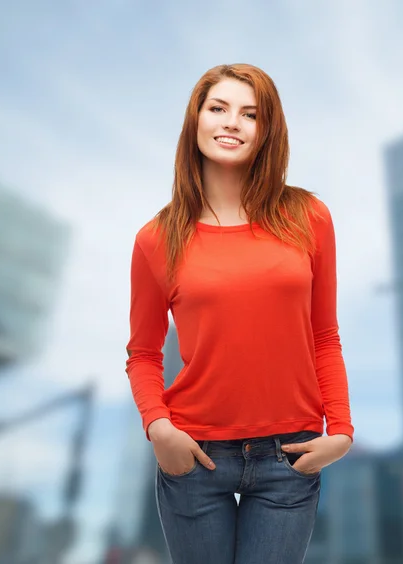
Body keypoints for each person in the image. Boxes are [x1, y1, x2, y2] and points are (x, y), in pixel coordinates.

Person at [126, 63, 354, 564]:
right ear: (196, 120)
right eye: (218, 108)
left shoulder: (308, 217)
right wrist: (159, 428)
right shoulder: (156, 239)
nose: (232, 122)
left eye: (250, 114)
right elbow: (142, 353)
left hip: (289, 457)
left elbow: (324, 336)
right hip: (195, 454)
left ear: (267, 131)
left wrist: (340, 431)